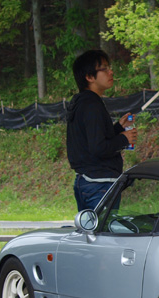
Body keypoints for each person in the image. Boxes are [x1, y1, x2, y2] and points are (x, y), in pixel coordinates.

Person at [66, 50, 137, 211]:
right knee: (104, 227)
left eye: (109, 68)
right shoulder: (92, 105)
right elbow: (98, 148)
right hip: (99, 184)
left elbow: (92, 140)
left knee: (91, 227)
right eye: (104, 69)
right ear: (89, 77)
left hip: (86, 181)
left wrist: (118, 128)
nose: (110, 72)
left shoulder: (82, 102)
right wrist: (124, 139)